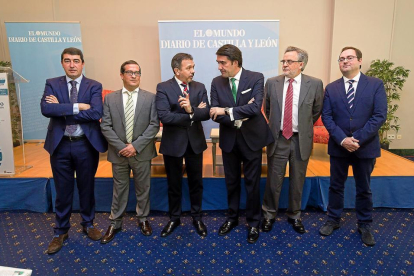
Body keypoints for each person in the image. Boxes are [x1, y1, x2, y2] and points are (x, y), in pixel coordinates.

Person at [40, 47, 108, 254]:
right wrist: (79, 106)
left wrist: (63, 108)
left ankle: (88, 224)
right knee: (62, 190)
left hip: (85, 144)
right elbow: (46, 110)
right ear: (62, 63)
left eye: (76, 61)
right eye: (67, 61)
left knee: (87, 187)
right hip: (60, 145)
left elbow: (96, 112)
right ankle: (60, 231)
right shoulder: (52, 83)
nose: (72, 65)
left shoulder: (94, 85)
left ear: (82, 63)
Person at [319, 46, 387, 246]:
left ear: (359, 61)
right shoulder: (332, 88)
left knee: (364, 188)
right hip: (339, 147)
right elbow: (327, 117)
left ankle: (364, 224)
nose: (345, 61)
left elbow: (379, 115)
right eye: (341, 59)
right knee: (336, 186)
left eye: (349, 58)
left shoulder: (375, 85)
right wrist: (342, 140)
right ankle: (333, 219)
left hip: (364, 147)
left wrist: (356, 139)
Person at [210, 44, 274, 244]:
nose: (219, 67)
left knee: (252, 184)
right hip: (229, 140)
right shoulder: (216, 82)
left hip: (251, 140)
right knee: (231, 182)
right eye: (218, 62)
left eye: (223, 62)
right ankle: (232, 218)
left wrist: (227, 111)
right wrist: (237, 114)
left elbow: (255, 108)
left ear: (235, 62)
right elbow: (213, 113)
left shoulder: (255, 77)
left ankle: (254, 223)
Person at [261, 46, 324, 234]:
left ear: (301, 64)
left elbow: (316, 110)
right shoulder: (272, 83)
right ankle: (269, 214)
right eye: (284, 61)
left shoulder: (315, 84)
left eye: (289, 61)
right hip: (278, 138)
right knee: (274, 180)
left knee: (298, 180)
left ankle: (294, 215)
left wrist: (301, 127)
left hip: (300, 140)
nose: (285, 64)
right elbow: (269, 109)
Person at [100, 60, 159, 243]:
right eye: (130, 72)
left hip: (141, 152)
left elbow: (154, 125)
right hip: (119, 153)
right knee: (119, 189)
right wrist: (122, 147)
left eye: (137, 72)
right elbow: (106, 127)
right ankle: (115, 222)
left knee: (143, 188)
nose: (134, 75)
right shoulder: (110, 98)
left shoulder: (151, 98)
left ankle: (143, 219)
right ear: (121, 75)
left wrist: (135, 146)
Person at [156, 53, 210, 237]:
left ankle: (197, 217)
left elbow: (207, 113)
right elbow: (164, 116)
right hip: (173, 144)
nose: (193, 71)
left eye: (193, 67)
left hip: (195, 142)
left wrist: (191, 109)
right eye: (189, 68)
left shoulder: (199, 87)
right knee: (174, 183)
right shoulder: (163, 88)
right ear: (177, 70)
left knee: (197, 182)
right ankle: (174, 218)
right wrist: (191, 115)